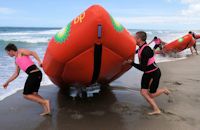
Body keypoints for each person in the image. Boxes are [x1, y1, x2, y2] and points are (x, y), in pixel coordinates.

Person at [124, 31, 170, 115]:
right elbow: (137, 52)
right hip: (147, 73)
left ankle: (164, 90)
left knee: (151, 94)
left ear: (139, 39)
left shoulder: (146, 50)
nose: (133, 38)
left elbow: (142, 68)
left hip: (154, 73)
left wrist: (131, 63)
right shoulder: (141, 47)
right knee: (143, 92)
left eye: (134, 37)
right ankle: (156, 109)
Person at [3, 43, 51, 116]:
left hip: (34, 74)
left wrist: (39, 61)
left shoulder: (21, 52)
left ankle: (45, 102)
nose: (7, 54)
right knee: (34, 94)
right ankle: (47, 109)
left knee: (26, 95)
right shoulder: (16, 61)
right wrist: (7, 82)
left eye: (7, 52)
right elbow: (16, 74)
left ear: (11, 51)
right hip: (36, 74)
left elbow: (33, 53)